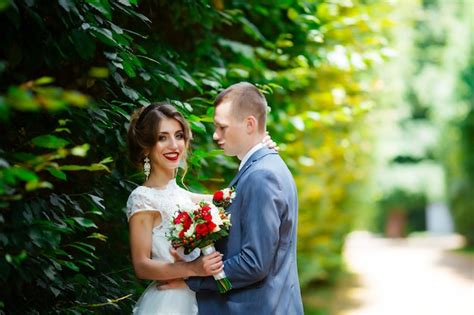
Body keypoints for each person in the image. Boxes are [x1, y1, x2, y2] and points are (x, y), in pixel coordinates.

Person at [162, 82, 304, 314]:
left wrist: (192, 276)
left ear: (249, 124)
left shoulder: (262, 176)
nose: (216, 136)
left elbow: (253, 263)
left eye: (222, 127)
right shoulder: (262, 167)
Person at [126, 102, 279, 314]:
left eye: (179, 135)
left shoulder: (180, 193)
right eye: (163, 137)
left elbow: (233, 198)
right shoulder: (143, 198)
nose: (174, 145)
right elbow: (141, 266)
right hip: (170, 302)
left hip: (199, 296)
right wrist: (191, 269)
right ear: (146, 147)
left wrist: (258, 149)